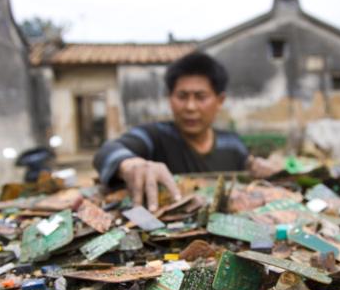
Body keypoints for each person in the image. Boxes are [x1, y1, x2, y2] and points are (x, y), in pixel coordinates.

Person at [94, 52, 277, 211]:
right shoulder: (154, 137)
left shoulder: (233, 144)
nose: (190, 107)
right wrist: (130, 164)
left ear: (220, 100)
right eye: (182, 96)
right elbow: (108, 151)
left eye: (200, 97)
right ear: (169, 98)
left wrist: (259, 167)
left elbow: (249, 166)